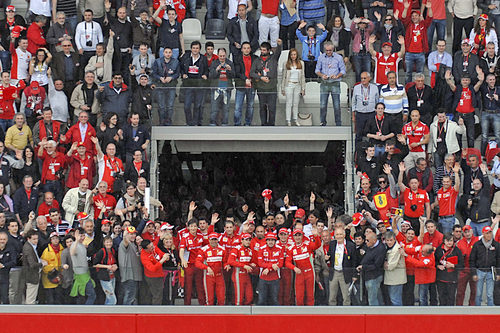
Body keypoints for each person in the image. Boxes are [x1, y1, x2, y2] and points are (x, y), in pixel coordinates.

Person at [446, 70, 484, 148]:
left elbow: (479, 84)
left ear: (469, 81)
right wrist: (448, 79)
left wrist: (481, 80)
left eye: (466, 80)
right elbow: (451, 84)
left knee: (470, 136)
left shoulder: (472, 89)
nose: (465, 81)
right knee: (458, 136)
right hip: (458, 115)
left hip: (470, 115)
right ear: (461, 81)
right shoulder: (458, 89)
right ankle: (459, 155)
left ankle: (470, 153)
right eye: (463, 80)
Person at [285, 228, 320, 305]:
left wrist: (316, 236)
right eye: (296, 235)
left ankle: (310, 313)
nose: (297, 237)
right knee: (299, 296)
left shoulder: (307, 244)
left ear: (302, 236)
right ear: (293, 237)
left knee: (310, 295)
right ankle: (300, 314)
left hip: (309, 272)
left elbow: (317, 245)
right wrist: (294, 268)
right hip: (299, 273)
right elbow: (287, 262)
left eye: (299, 235)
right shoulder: (291, 248)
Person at [251, 40, 282, 126]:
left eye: (264, 50)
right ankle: (263, 125)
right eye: (261, 50)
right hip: (261, 87)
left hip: (272, 87)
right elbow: (252, 73)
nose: (262, 52)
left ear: (269, 50)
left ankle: (271, 125)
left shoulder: (273, 58)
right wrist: (261, 77)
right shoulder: (257, 60)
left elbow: (278, 52)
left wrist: (279, 45)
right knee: (262, 108)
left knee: (272, 108)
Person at [401, 0, 433, 84]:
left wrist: (429, 8)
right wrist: (405, 8)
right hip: (409, 53)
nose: (414, 17)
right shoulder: (408, 24)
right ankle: (408, 89)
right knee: (408, 74)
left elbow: (430, 18)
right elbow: (403, 18)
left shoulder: (423, 25)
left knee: (420, 74)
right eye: (413, 16)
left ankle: (419, 89)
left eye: (416, 16)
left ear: (419, 17)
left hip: (420, 53)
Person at [315, 41, 346, 126]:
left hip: (335, 83)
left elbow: (343, 70)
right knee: (322, 105)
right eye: (327, 50)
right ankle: (323, 122)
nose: (328, 52)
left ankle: (338, 123)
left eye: (330, 50)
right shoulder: (321, 57)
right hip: (324, 83)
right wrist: (322, 75)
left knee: (336, 105)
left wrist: (337, 76)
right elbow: (317, 70)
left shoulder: (338, 57)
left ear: (333, 49)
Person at [180, 41, 209, 126]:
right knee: (187, 106)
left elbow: (207, 70)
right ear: (191, 48)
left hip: (199, 84)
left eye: (197, 48)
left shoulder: (203, 58)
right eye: (193, 48)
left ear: (200, 49)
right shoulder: (186, 57)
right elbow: (181, 68)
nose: (195, 50)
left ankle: (195, 123)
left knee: (198, 106)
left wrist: (205, 75)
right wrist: (183, 74)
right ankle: (189, 123)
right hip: (188, 84)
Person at [470, 225, 500, 306]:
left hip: (491, 271)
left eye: (490, 233)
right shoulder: (477, 245)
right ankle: (477, 311)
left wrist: (498, 273)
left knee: (490, 294)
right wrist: (474, 273)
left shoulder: (496, 245)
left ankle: (490, 313)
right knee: (478, 294)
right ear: (483, 234)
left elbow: (498, 260)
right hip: (479, 271)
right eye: (487, 233)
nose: (489, 235)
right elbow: (472, 260)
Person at [398, 162, 431, 234]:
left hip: (419, 219)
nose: (414, 185)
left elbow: (427, 206)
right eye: (412, 183)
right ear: (409, 184)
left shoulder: (423, 192)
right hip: (407, 218)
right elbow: (400, 183)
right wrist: (401, 172)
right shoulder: (406, 191)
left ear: (418, 183)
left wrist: (428, 219)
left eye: (415, 183)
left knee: (417, 236)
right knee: (407, 235)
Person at [195, 232, 227, 305]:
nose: (213, 241)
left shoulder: (222, 249)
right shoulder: (203, 250)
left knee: (221, 299)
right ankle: (209, 315)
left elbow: (225, 261)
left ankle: (221, 315)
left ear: (218, 240)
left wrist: (226, 265)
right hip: (208, 276)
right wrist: (206, 267)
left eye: (215, 239)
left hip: (219, 276)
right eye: (212, 239)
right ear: (209, 240)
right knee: (210, 299)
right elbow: (197, 262)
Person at [327, 227, 357, 306]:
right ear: (334, 236)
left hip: (345, 273)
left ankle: (347, 315)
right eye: (337, 234)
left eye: (340, 234)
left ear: (344, 235)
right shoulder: (332, 244)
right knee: (332, 297)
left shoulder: (351, 245)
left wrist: (354, 275)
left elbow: (354, 261)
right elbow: (329, 257)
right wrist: (326, 258)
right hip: (334, 272)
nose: (339, 236)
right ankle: (332, 315)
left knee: (346, 297)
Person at [179, 218, 206, 305]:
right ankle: (187, 304)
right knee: (188, 286)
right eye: (191, 226)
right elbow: (181, 250)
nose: (193, 228)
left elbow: (206, 247)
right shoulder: (185, 237)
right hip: (189, 265)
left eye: (195, 226)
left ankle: (202, 304)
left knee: (200, 285)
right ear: (188, 227)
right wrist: (182, 259)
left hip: (199, 264)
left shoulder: (200, 236)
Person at [151, 47, 180, 126]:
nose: (168, 54)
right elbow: (154, 73)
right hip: (160, 86)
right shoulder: (157, 61)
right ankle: (161, 122)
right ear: (163, 53)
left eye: (169, 52)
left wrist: (171, 77)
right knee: (161, 106)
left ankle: (168, 122)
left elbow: (177, 74)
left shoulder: (176, 62)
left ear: (172, 53)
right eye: (166, 52)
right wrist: (160, 78)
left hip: (171, 86)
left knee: (170, 106)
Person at [434, 233, 464, 306]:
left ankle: (450, 315)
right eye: (447, 241)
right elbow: (433, 261)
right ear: (444, 241)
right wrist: (438, 266)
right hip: (440, 278)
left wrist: (453, 265)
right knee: (441, 297)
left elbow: (462, 265)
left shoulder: (457, 251)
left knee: (451, 298)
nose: (449, 242)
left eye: (451, 240)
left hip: (452, 279)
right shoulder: (438, 249)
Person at [208, 48, 234, 126]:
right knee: (214, 109)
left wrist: (230, 70)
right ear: (218, 55)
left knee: (226, 109)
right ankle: (212, 123)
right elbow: (211, 76)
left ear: (226, 55)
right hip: (216, 89)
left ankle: (225, 124)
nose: (222, 57)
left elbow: (234, 75)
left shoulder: (230, 63)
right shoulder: (214, 63)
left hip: (227, 89)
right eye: (220, 56)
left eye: (223, 56)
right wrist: (216, 70)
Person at [228, 232, 256, 305]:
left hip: (247, 276)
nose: (248, 241)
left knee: (249, 297)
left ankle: (246, 315)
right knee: (239, 298)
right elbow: (230, 261)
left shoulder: (250, 251)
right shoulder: (236, 249)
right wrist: (244, 266)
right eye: (246, 240)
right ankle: (237, 314)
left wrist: (251, 265)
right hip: (238, 276)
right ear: (242, 240)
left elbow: (251, 262)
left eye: (249, 240)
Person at [256, 232, 283, 305]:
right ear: (266, 241)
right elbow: (260, 263)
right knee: (261, 300)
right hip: (263, 278)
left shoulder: (280, 249)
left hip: (275, 278)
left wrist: (268, 268)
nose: (270, 242)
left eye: (272, 240)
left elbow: (280, 264)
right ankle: (259, 316)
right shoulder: (261, 249)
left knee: (274, 300)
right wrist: (271, 266)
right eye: (269, 240)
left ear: (275, 241)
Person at [433, 164, 461, 234]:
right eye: (444, 182)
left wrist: (456, 173)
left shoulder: (452, 191)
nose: (446, 183)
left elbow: (457, 184)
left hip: (449, 219)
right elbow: (439, 201)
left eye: (447, 181)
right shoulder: (439, 191)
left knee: (447, 238)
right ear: (442, 182)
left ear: (451, 182)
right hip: (440, 218)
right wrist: (432, 204)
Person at [281, 48, 306, 126]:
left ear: (297, 55)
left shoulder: (301, 63)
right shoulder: (286, 63)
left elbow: (302, 76)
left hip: (297, 85)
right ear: (289, 55)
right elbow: (284, 76)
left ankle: (295, 119)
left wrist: (303, 88)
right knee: (289, 103)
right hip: (289, 85)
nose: (293, 56)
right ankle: (288, 120)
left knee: (296, 103)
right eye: (291, 54)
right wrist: (282, 88)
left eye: (294, 54)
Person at [465, 164, 491, 236]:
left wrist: (484, 173)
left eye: (477, 184)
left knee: (484, 242)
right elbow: (467, 211)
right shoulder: (471, 195)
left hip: (483, 223)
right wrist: (469, 206)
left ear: (481, 185)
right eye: (474, 184)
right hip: (473, 223)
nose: (476, 185)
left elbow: (487, 185)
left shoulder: (485, 192)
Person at [38, 139, 67, 204]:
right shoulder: (46, 154)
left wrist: (62, 174)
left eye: (50, 147)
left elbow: (65, 167)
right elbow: (39, 155)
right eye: (47, 147)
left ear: (54, 147)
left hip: (58, 182)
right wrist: (42, 145)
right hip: (48, 182)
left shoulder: (61, 156)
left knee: (59, 200)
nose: (48, 149)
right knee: (48, 201)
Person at [456, 225, 479, 305]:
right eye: (465, 232)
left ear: (472, 231)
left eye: (468, 231)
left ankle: (472, 308)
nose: (467, 233)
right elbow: (457, 256)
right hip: (463, 270)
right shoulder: (459, 243)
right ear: (463, 234)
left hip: (474, 269)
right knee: (460, 291)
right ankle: (459, 308)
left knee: (474, 291)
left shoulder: (477, 240)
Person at [22, 229, 47, 304]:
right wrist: (42, 264)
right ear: (28, 239)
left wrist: (40, 260)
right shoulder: (28, 248)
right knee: (31, 298)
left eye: (37, 239)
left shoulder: (31, 246)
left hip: (33, 274)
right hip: (31, 275)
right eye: (34, 239)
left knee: (32, 296)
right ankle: (28, 314)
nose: (36, 241)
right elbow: (32, 264)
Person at [140, 238, 167, 305]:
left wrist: (164, 255)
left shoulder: (153, 246)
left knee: (157, 293)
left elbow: (159, 252)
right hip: (153, 277)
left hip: (159, 274)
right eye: (151, 248)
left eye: (152, 246)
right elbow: (152, 268)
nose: (153, 248)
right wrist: (162, 260)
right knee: (157, 294)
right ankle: (156, 311)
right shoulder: (144, 257)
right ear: (146, 249)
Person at [92, 236, 118, 305]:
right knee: (112, 299)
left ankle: (106, 312)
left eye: (110, 242)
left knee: (109, 297)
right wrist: (107, 266)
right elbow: (95, 264)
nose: (109, 243)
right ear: (104, 243)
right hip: (104, 277)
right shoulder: (101, 251)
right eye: (107, 242)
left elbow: (114, 262)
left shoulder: (112, 251)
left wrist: (115, 266)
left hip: (112, 276)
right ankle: (110, 314)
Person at [384, 230, 407, 306]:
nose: (389, 242)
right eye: (387, 240)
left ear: (395, 239)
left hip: (396, 279)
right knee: (393, 298)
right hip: (391, 278)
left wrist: (384, 265)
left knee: (395, 300)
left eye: (391, 240)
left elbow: (390, 266)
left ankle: (399, 317)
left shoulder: (397, 249)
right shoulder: (387, 248)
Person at [479, 73, 500, 155]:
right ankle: (483, 154)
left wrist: (498, 99)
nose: (492, 81)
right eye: (490, 80)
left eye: (493, 79)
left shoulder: (498, 89)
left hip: (497, 113)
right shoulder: (484, 88)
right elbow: (476, 89)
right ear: (487, 81)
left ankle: (498, 154)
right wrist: (480, 80)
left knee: (498, 135)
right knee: (484, 135)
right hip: (486, 113)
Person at [40, 231, 63, 304]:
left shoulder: (62, 250)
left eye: (56, 238)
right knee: (50, 301)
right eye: (53, 238)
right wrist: (53, 269)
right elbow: (44, 266)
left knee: (59, 300)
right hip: (49, 280)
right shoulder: (46, 251)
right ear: (50, 240)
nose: (55, 240)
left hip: (60, 280)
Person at [350, 17, 374, 83]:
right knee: (358, 72)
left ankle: (367, 85)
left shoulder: (368, 31)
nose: (362, 24)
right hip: (357, 54)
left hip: (366, 53)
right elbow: (352, 28)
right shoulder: (356, 32)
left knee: (367, 71)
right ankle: (358, 86)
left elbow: (372, 26)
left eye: (364, 23)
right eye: (360, 23)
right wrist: (354, 22)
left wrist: (368, 21)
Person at [0, 231, 16, 304]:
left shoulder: (11, 248)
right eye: (1, 239)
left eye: (4, 239)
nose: (2, 241)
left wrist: (3, 265)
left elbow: (13, 261)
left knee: (5, 296)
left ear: (7, 240)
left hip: (5, 276)